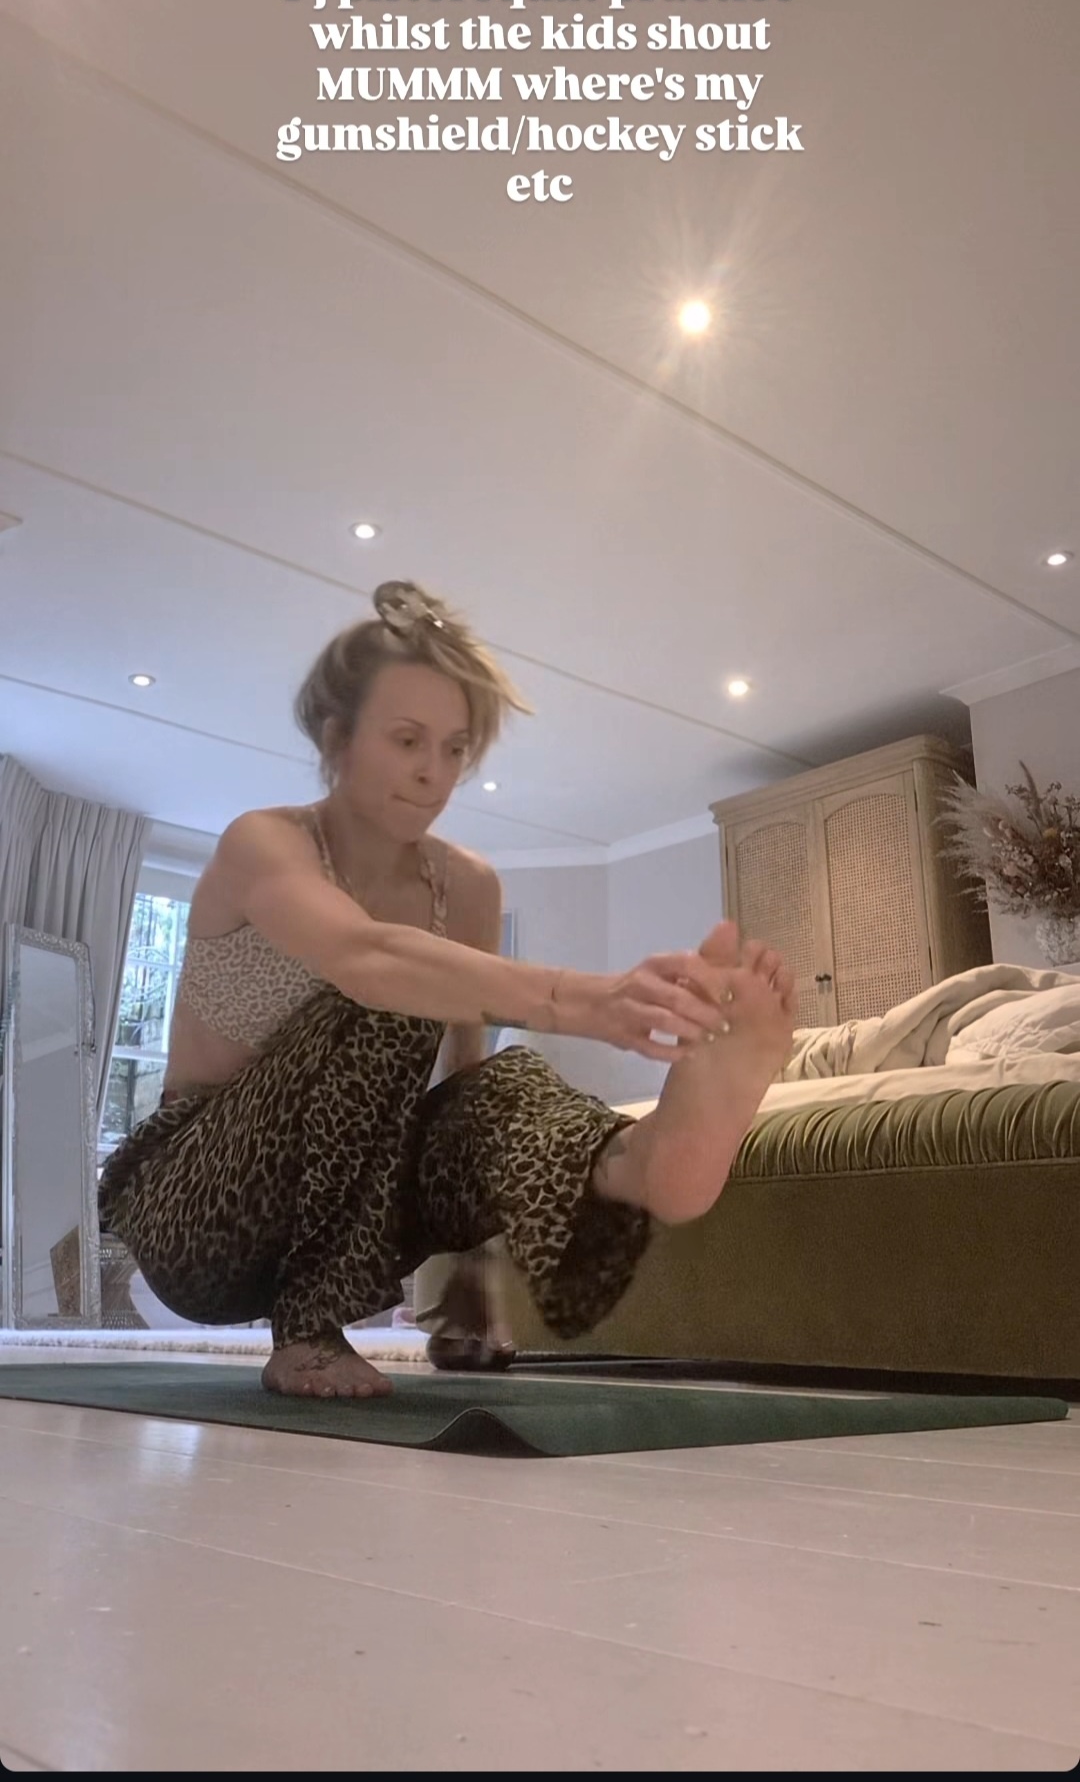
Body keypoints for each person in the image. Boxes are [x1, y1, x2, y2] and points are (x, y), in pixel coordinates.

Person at [99, 581, 796, 1400]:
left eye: (454, 749)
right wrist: (582, 1000)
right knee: (389, 995)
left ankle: (639, 1161)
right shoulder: (266, 844)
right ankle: (308, 1333)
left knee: (500, 1077)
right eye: (406, 741)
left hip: (349, 1212)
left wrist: (470, 1269)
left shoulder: (466, 887)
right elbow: (364, 955)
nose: (433, 773)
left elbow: (462, 1093)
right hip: (196, 1213)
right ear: (337, 737)